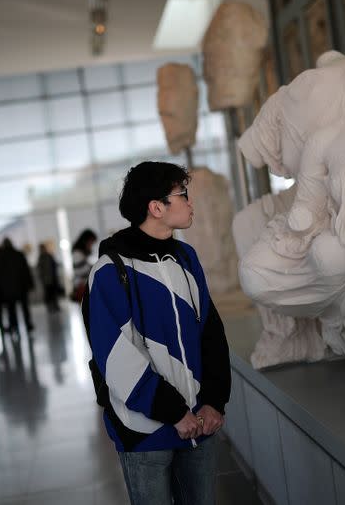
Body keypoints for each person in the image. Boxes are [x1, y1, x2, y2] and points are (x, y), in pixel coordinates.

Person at [83, 161, 231, 504]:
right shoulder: (110, 271)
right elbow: (115, 356)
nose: (191, 203)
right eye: (183, 195)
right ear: (156, 207)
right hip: (145, 432)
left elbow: (210, 332)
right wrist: (174, 413)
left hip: (200, 425)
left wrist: (213, 401)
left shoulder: (186, 258)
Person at [0, 237, 35, 334]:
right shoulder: (18, 255)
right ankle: (27, 325)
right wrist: (29, 284)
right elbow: (26, 271)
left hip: (8, 289)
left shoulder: (1, 257)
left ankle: (14, 327)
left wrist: (1, 288)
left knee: (11, 310)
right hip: (21, 287)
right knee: (24, 308)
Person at [70, 228, 97, 302]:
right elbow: (80, 271)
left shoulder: (82, 253)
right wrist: (94, 267)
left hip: (84, 285)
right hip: (81, 286)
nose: (91, 245)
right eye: (91, 242)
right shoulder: (77, 253)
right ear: (86, 241)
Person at [36, 241, 61, 313]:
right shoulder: (41, 258)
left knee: (53, 293)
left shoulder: (47, 256)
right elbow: (40, 269)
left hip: (51, 278)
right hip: (46, 279)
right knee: (48, 294)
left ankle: (55, 306)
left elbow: (54, 265)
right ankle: (50, 307)